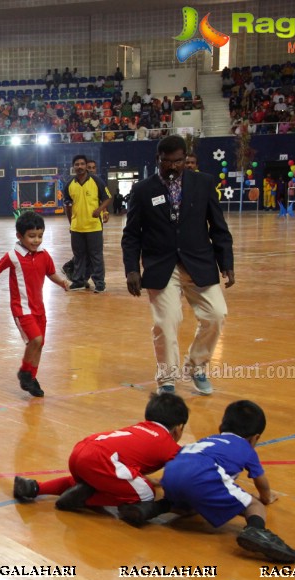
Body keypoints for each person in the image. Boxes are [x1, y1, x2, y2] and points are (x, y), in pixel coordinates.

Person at [117, 400, 295, 564]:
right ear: (255, 438)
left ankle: (150, 508)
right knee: (255, 505)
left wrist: (161, 482)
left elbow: (184, 461)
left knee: (189, 503)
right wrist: (266, 497)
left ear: (221, 427)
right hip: (204, 476)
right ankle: (256, 530)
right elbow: (261, 481)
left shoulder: (207, 440)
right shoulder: (246, 447)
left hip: (172, 473)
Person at [121, 134, 234, 395]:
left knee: (217, 314)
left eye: (178, 161)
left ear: (186, 160)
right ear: (157, 160)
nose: (173, 166)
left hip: (199, 262)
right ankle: (168, 380)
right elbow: (132, 234)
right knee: (166, 322)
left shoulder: (204, 184)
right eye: (167, 162)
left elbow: (218, 227)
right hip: (162, 266)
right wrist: (131, 269)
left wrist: (226, 261)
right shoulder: (142, 190)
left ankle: (197, 366)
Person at [13, 392, 188, 511]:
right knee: (147, 493)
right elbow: (186, 469)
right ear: (178, 428)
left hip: (81, 451)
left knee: (85, 481)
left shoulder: (139, 428)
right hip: (102, 460)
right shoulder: (167, 443)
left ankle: (35, 487)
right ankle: (84, 500)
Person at [0, 211, 71, 398]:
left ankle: (31, 379)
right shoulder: (13, 256)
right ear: (19, 236)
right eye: (31, 236)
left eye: (40, 235)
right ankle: (25, 372)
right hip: (22, 309)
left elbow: (51, 273)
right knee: (36, 340)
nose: (36, 240)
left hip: (39, 308)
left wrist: (62, 282)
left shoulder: (44, 255)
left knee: (39, 345)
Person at [62, 155, 112, 292]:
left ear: (86, 166)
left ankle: (99, 283)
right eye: (77, 164)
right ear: (73, 167)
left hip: (94, 226)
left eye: (82, 164)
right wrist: (71, 223)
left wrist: (100, 210)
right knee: (78, 256)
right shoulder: (69, 185)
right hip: (77, 227)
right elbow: (67, 206)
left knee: (96, 256)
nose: (80, 166)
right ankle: (78, 281)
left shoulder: (96, 181)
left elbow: (108, 198)